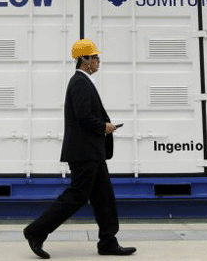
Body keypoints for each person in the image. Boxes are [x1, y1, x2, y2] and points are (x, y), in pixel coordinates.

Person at [23, 39, 137, 259]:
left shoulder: (83, 82)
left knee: (104, 198)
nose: (98, 61)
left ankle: (108, 242)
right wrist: (104, 127)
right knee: (76, 196)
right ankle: (35, 231)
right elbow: (83, 116)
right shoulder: (79, 83)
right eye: (95, 57)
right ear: (84, 60)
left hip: (92, 152)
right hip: (84, 153)